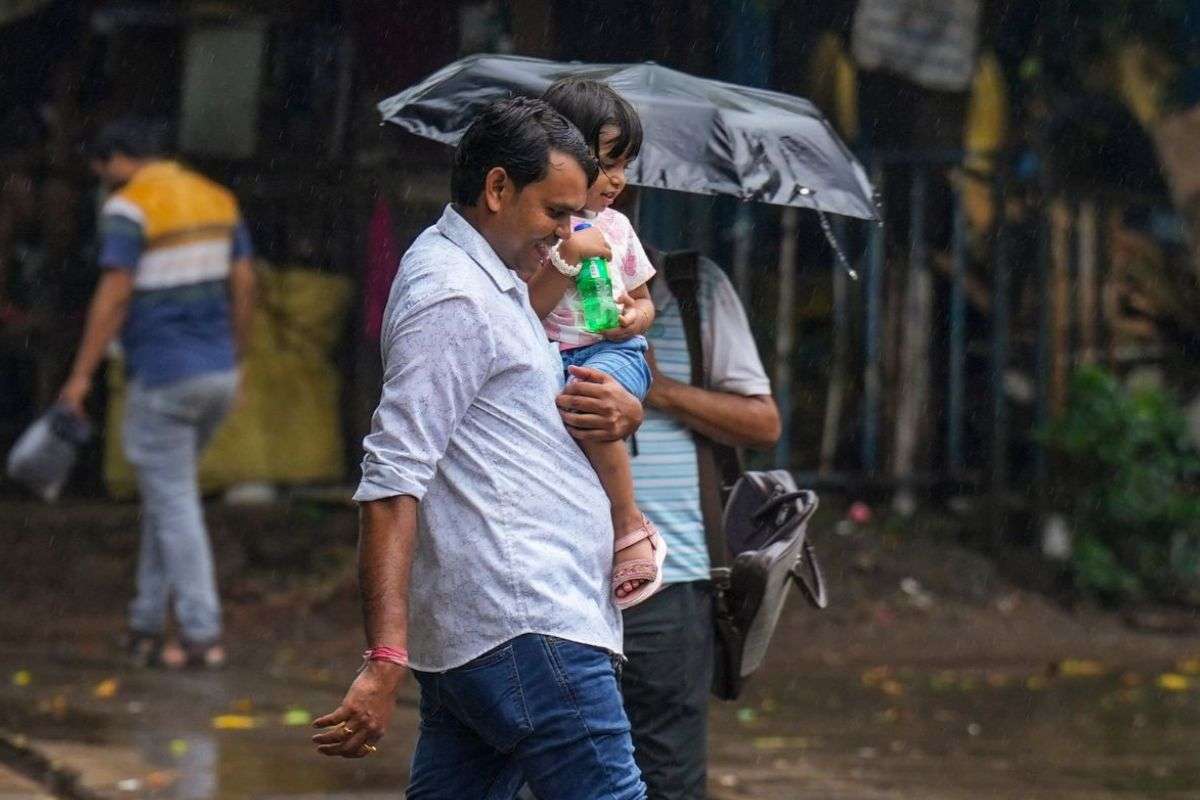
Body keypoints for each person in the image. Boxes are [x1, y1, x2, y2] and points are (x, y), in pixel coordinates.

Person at [310, 97, 648, 800]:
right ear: (497, 189)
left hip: (497, 630)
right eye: (555, 213)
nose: (566, 235)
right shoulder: (453, 296)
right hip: (529, 624)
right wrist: (384, 658)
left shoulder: (492, 285)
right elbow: (393, 478)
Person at [58, 117, 256, 669]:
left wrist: (79, 376)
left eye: (102, 174)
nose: (104, 186)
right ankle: (145, 623)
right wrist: (236, 360)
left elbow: (114, 292)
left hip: (165, 376)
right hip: (216, 375)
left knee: (172, 503)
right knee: (168, 500)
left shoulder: (130, 207)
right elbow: (244, 283)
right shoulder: (217, 199)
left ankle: (200, 634)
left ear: (116, 159)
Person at [624, 238, 782, 799]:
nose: (612, 184)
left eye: (620, 166)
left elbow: (762, 424)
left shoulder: (692, 288)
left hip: (674, 578)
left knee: (667, 773)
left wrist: (661, 389)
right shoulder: (525, 279)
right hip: (548, 578)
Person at [528, 78, 664, 608]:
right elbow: (525, 311)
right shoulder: (537, 230)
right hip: (549, 358)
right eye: (608, 163)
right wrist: (567, 256)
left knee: (592, 399)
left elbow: (644, 302)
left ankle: (629, 524)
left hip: (611, 356)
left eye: (626, 165)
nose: (617, 179)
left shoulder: (618, 228)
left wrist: (633, 318)